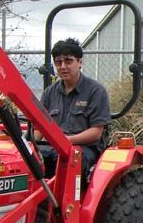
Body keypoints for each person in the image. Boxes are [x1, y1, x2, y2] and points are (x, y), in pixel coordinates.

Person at [37, 37, 111, 180]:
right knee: (30, 159)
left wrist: (66, 141)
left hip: (85, 148)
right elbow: (40, 128)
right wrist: (27, 145)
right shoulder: (49, 93)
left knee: (68, 161)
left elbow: (96, 132)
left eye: (68, 61)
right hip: (54, 147)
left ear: (80, 62)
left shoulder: (95, 91)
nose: (63, 66)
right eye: (58, 62)